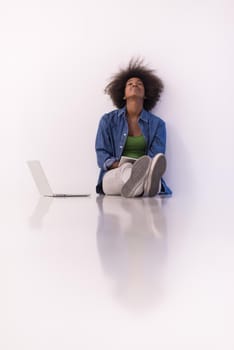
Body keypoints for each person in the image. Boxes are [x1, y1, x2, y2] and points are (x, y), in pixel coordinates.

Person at [95, 58, 172, 198]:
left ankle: (141, 184)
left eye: (139, 84)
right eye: (129, 83)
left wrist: (144, 168)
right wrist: (121, 165)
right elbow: (102, 156)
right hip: (116, 174)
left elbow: (156, 158)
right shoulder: (107, 121)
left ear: (146, 93)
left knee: (145, 171)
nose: (134, 85)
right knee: (126, 171)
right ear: (123, 94)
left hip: (146, 171)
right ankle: (145, 186)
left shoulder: (158, 125)